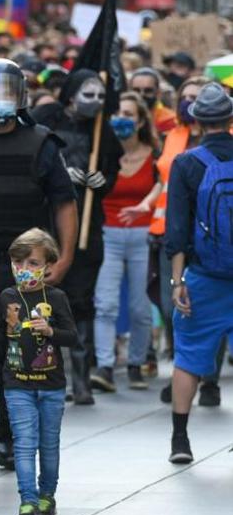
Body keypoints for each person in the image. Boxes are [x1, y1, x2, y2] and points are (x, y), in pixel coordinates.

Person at [0, 59, 76, 473]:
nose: (0, 98)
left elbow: (64, 202)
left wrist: (65, 257)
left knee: (17, 353)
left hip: (24, 267)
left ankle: (7, 436)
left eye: (8, 90)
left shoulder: (42, 142)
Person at [32, 69, 121, 407]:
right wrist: (59, 170)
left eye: (100, 96)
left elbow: (112, 171)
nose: (95, 102)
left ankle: (81, 377)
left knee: (81, 301)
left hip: (88, 226)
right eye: (89, 94)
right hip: (47, 224)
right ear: (70, 95)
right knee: (45, 299)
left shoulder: (102, 131)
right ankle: (50, 373)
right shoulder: (46, 120)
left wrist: (103, 180)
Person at [0, 229, 75, 515]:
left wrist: (50, 332)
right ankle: (28, 501)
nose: (24, 270)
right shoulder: (8, 296)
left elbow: (72, 336)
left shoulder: (56, 298)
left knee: (48, 444)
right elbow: (0, 333)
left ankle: (47, 495)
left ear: (48, 266)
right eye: (18, 263)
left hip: (51, 385)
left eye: (33, 263)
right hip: (17, 382)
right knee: (23, 443)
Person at [163, 83, 233, 464]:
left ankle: (180, 440)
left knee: (188, 357)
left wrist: (178, 282)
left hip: (204, 278)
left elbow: (177, 230)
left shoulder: (187, 163)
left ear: (197, 121)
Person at [93, 92, 160, 392]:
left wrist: (147, 204)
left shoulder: (155, 156)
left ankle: (135, 364)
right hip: (109, 234)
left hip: (143, 236)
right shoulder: (102, 154)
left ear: (142, 120)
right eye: (117, 112)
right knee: (105, 303)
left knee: (140, 307)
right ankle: (105, 366)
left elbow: (163, 185)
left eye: (129, 114)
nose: (122, 118)